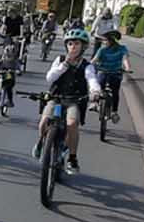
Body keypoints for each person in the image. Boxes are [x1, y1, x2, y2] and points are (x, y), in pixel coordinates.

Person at [34, 28, 102, 174]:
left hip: (74, 100)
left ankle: (72, 158)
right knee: (44, 121)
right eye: (70, 44)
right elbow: (50, 78)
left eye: (77, 44)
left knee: (71, 124)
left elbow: (92, 79)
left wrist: (95, 91)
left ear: (83, 47)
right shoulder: (59, 60)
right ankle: (41, 143)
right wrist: (64, 65)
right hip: (56, 98)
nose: (73, 47)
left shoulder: (87, 65)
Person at [91, 29, 133, 123]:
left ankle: (114, 112)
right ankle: (95, 103)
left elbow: (125, 59)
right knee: (98, 87)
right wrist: (89, 66)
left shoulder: (122, 48)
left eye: (105, 40)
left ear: (111, 40)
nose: (103, 42)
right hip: (103, 71)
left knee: (115, 92)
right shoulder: (102, 50)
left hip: (116, 73)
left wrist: (127, 68)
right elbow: (95, 59)